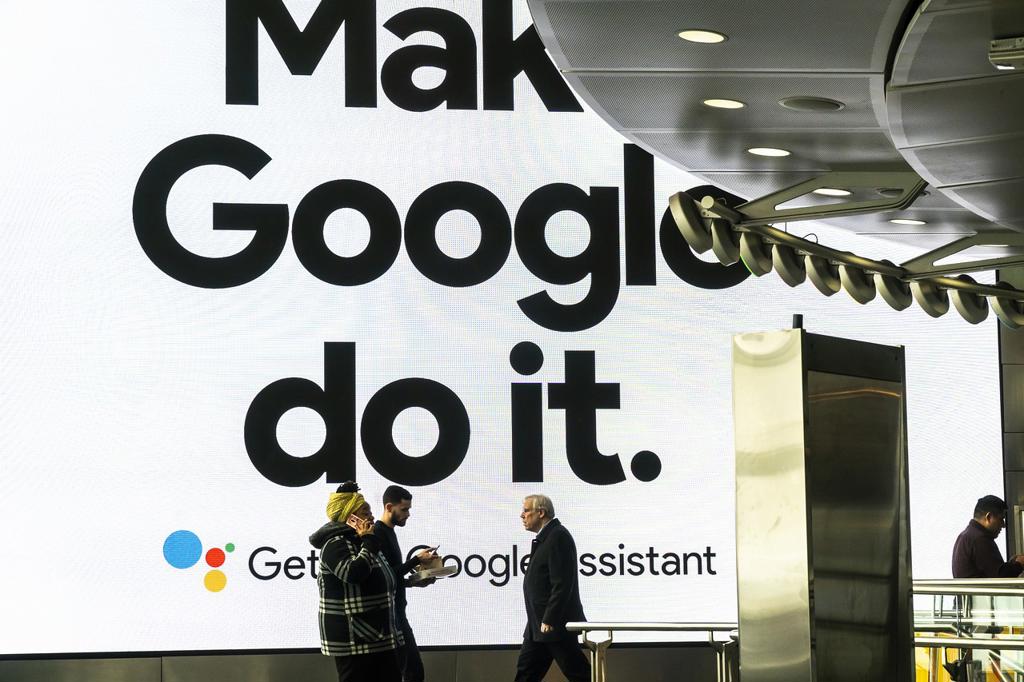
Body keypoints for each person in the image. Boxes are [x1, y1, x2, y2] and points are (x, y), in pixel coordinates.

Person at [309, 481, 403, 682]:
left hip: (376, 633)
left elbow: (381, 576)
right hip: (355, 636)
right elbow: (353, 573)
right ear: (350, 516)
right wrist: (369, 542)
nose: (371, 515)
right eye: (365, 511)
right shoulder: (335, 545)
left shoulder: (361, 541)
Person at [515, 494, 591, 682]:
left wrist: (550, 618)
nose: (521, 515)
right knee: (525, 673)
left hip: (554, 625)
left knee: (578, 673)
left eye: (526, 511)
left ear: (541, 513)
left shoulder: (558, 536)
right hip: (537, 626)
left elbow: (563, 583)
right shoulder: (546, 537)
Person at [374, 485, 436, 682]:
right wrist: (416, 560)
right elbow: (384, 576)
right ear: (389, 507)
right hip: (391, 616)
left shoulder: (389, 532)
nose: (408, 514)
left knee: (410, 670)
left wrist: (413, 582)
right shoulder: (378, 534)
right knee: (412, 671)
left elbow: (392, 578)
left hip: (398, 612)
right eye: (404, 509)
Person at [952, 495, 1024, 578]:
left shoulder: (966, 536)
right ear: (989, 517)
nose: (1003, 525)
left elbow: (991, 571)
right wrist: (1019, 564)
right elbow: (1001, 577)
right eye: (1001, 519)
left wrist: (1011, 565)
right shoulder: (980, 539)